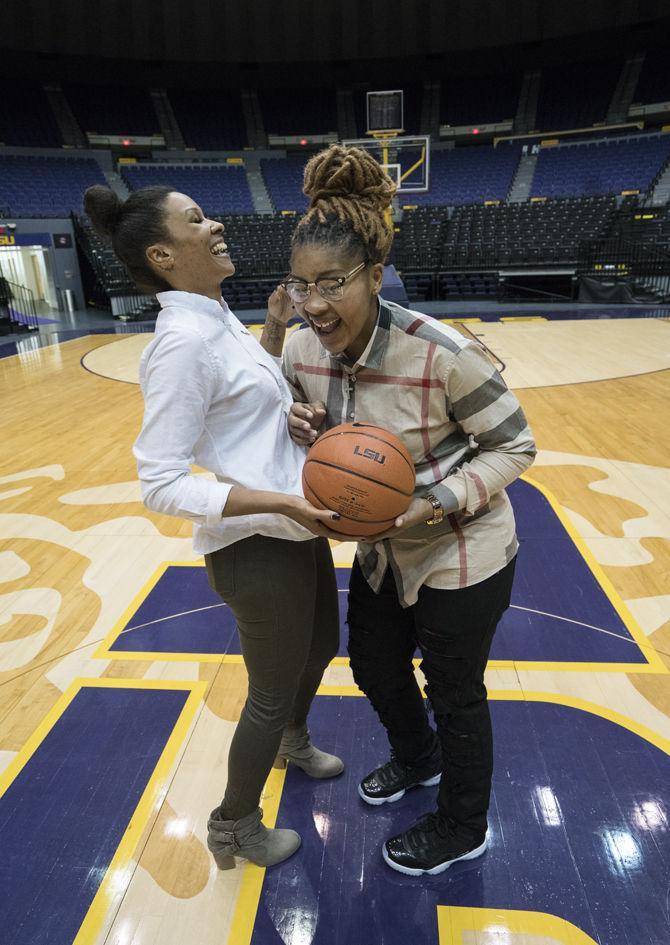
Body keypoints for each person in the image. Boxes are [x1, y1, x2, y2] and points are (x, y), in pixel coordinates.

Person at [280, 145, 536, 876]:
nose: (315, 302)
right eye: (301, 285)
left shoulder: (443, 352)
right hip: (380, 549)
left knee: (456, 693)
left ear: (373, 273)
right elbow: (333, 442)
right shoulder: (302, 350)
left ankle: (463, 824)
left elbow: (516, 446)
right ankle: (417, 760)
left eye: (331, 282)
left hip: (463, 547)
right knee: (373, 663)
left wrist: (433, 502)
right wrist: (306, 427)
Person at [83, 184, 344, 870]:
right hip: (257, 543)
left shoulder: (218, 315)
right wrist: (281, 503)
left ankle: (292, 739)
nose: (217, 222)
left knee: (322, 646)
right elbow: (161, 483)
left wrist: (278, 339)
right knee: (269, 689)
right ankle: (233, 826)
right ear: (164, 254)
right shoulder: (180, 344)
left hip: (291, 522)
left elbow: (241, 405)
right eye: (197, 219)